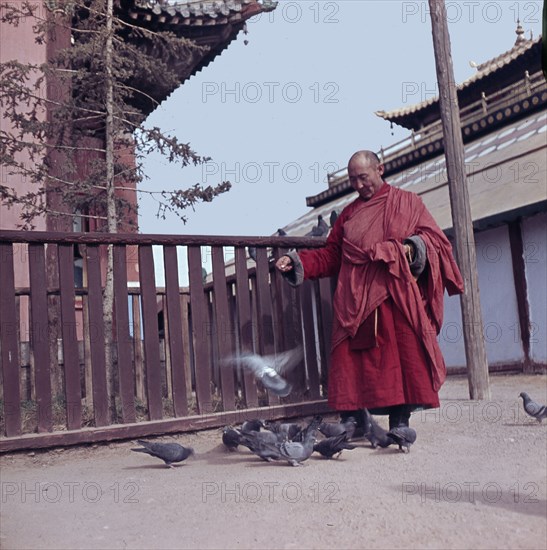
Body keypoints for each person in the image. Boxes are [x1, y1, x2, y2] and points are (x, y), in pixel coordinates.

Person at [276, 150, 464, 444]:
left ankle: (400, 419)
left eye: (363, 177)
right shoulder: (349, 215)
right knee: (350, 360)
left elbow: (435, 241)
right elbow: (331, 255)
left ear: (380, 169)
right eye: (353, 180)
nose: (359, 185)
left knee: (402, 358)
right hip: (354, 296)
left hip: (394, 292)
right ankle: (351, 420)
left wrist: (411, 248)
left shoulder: (407, 203)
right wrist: (297, 262)